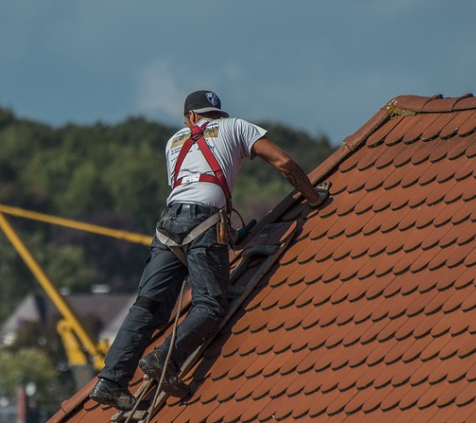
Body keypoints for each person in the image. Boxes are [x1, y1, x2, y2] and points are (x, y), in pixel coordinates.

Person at [89, 90, 329, 410]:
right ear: (213, 115)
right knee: (210, 305)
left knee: (147, 307)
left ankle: (110, 381)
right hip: (204, 222)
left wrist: (226, 235)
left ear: (190, 117)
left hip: (168, 227)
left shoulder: (173, 142)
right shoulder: (236, 126)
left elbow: (191, 189)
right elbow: (284, 162)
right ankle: (165, 359)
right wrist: (313, 197)